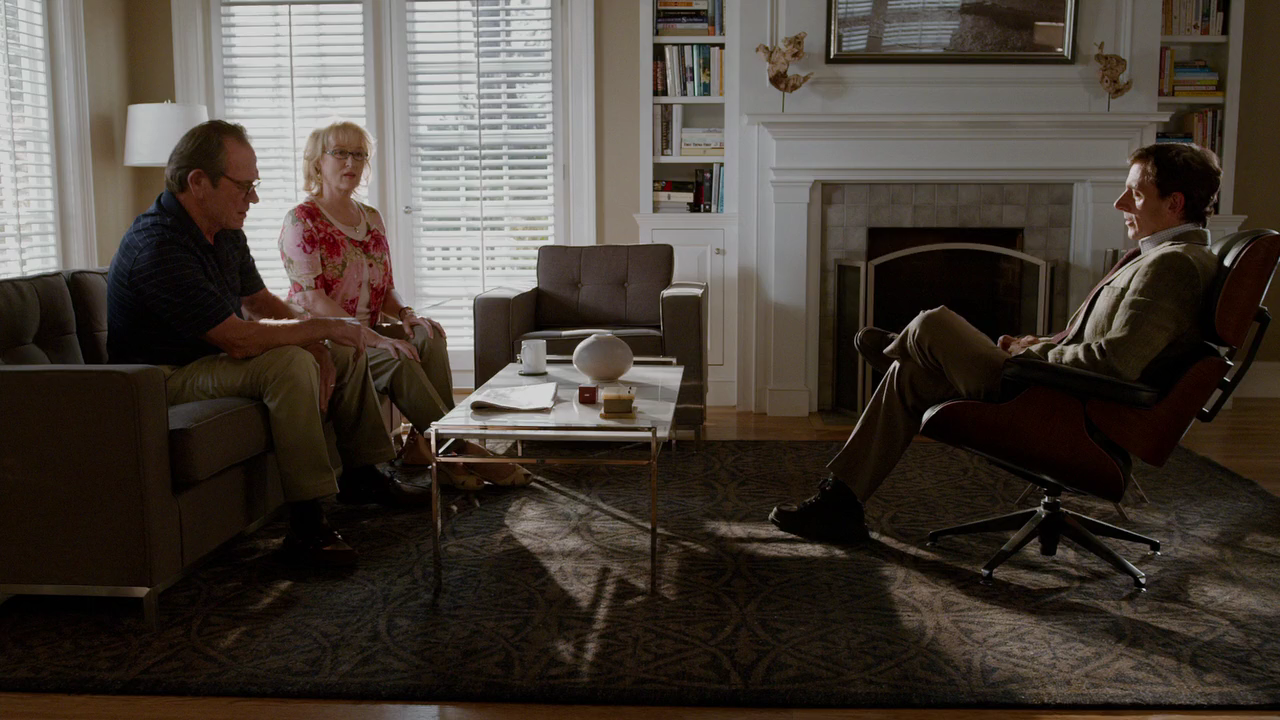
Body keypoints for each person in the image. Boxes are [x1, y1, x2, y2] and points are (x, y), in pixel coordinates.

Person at [770, 142, 1223, 544]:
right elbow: (1102, 344)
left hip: (1065, 407)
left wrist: (1030, 353)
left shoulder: (1173, 265)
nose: (1120, 202)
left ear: (1174, 203)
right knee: (909, 374)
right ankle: (840, 504)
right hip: (1057, 389)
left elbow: (1115, 363)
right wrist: (1036, 343)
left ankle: (902, 345)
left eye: (1136, 193)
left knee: (933, 323)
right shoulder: (1164, 257)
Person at [107, 120, 431, 569]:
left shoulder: (223, 229)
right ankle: (306, 525)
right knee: (289, 365)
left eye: (254, 186)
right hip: (161, 378)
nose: (253, 199)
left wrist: (321, 336)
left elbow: (259, 302)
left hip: (211, 359)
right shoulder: (158, 245)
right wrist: (317, 331)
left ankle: (363, 474)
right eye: (244, 187)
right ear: (198, 182)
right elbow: (238, 338)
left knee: (341, 346)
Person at [278, 119, 528, 490]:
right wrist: (377, 340)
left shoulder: (371, 217)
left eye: (359, 154)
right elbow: (311, 299)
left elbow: (386, 289)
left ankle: (424, 446)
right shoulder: (302, 220)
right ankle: (457, 447)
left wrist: (408, 315)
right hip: (329, 338)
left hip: (370, 331)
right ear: (318, 162)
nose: (351, 162)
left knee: (428, 335)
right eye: (340, 153)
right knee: (399, 359)